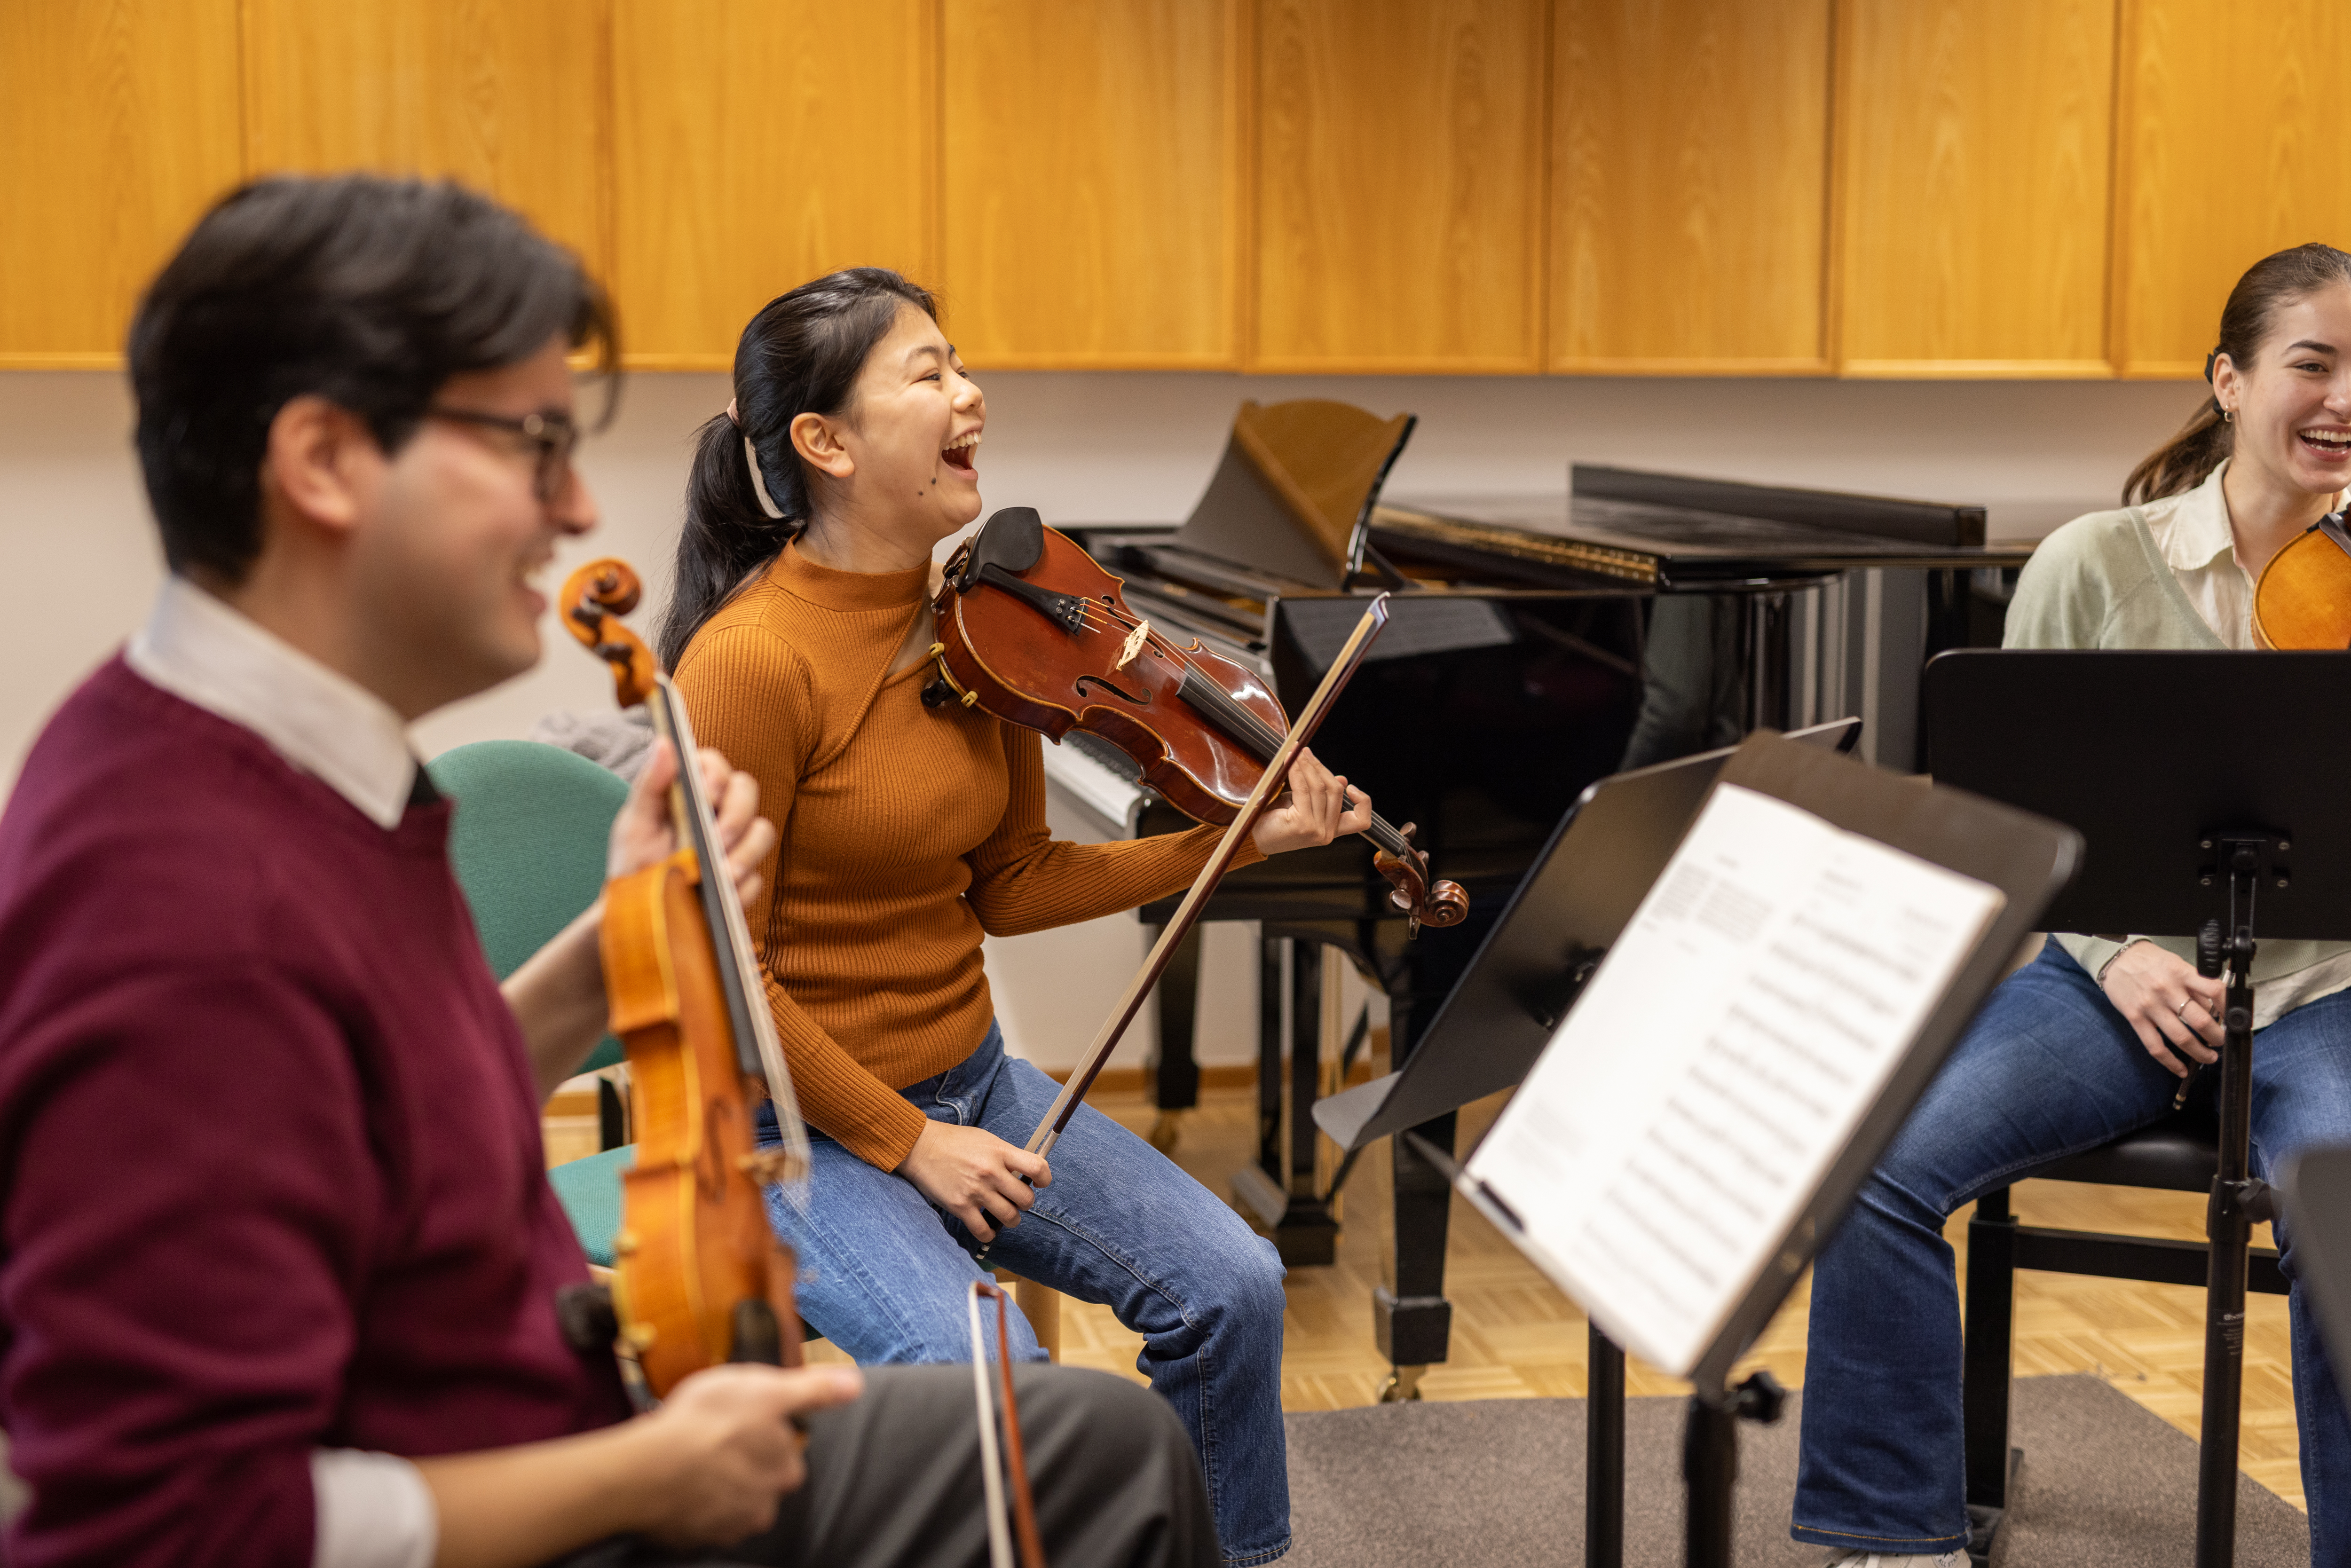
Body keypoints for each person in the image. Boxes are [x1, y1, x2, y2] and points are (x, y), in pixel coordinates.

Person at [0, 174, 1221, 1568]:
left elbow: (390, 1130)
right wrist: (639, 1477)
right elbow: (166, 1523)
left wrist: (619, 941)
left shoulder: (319, 765)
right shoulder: (167, 898)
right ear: (325, 460)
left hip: (539, 1403)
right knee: (1068, 1458)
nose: (575, 502)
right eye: (531, 443)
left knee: (1090, 1447)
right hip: (524, 1491)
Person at [661, 270, 1376, 1567]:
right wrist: (908, 1144)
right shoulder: (750, 664)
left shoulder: (985, 632)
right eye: (925, 374)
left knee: (1233, 1289)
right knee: (992, 1390)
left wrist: (1225, 842)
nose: (969, 394)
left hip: (975, 1083)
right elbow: (721, 975)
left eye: (962, 364)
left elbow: (1017, 881)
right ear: (824, 443)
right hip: (797, 1128)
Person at [1791, 241, 2351, 1568]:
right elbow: (2013, 832)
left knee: (2349, 1221)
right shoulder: (2095, 564)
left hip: (2323, 994)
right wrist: (2118, 962)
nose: (2342, 401)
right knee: (1869, 1168)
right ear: (2229, 380)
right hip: (2112, 982)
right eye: (2313, 364)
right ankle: (1897, 1542)